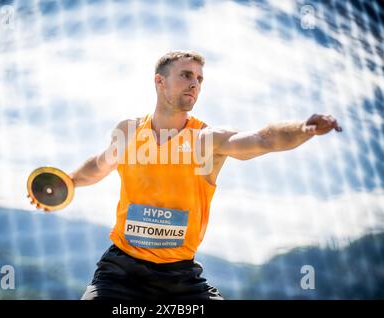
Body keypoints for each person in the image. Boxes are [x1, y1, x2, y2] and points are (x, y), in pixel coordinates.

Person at [30, 50, 342, 300]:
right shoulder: (128, 131)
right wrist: (66, 182)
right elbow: (98, 166)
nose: (195, 83)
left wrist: (304, 129)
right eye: (186, 75)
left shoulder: (207, 140)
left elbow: (264, 139)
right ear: (160, 81)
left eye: (200, 79)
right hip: (120, 272)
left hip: (180, 278)